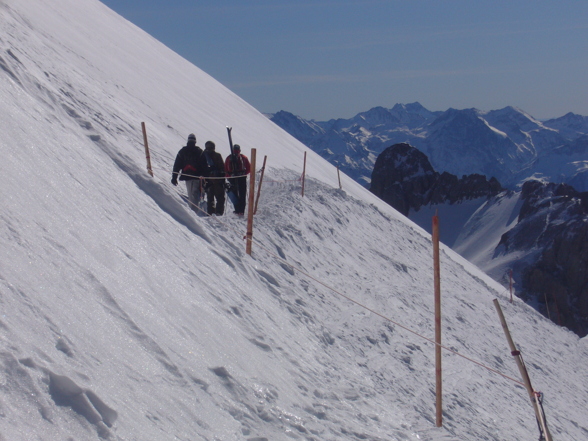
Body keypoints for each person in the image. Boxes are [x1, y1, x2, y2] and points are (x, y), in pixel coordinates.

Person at [171, 133, 206, 213]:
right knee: (195, 196)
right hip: (197, 178)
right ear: (195, 141)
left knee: (192, 196)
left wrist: (174, 177)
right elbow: (204, 166)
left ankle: (194, 214)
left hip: (188, 178)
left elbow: (177, 165)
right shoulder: (199, 151)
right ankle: (195, 213)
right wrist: (204, 178)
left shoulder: (183, 151)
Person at [224, 144, 251, 215]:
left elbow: (226, 169)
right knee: (242, 193)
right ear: (240, 150)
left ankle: (236, 209)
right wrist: (243, 174)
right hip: (242, 178)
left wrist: (229, 176)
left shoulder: (228, 158)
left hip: (232, 178)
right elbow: (249, 169)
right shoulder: (244, 157)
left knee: (234, 193)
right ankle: (241, 211)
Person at [202, 141, 226, 216]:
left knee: (210, 198)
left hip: (208, 180)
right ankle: (218, 213)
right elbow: (222, 168)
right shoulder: (217, 156)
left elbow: (202, 168)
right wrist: (223, 180)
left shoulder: (203, 156)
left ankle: (210, 212)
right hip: (217, 180)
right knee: (220, 198)